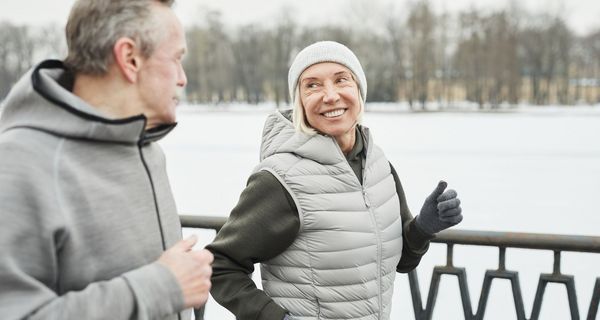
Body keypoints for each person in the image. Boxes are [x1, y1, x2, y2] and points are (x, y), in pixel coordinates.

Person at [207, 41, 463, 320]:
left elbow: (399, 262)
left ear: (359, 91)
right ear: (300, 102)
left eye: (342, 80)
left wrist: (422, 229)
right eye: (312, 85)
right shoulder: (281, 180)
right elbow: (220, 265)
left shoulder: (379, 166)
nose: (330, 96)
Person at [0, 0, 213, 319]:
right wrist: (163, 287)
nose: (182, 78)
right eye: (177, 59)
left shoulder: (149, 151)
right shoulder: (20, 162)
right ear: (130, 59)